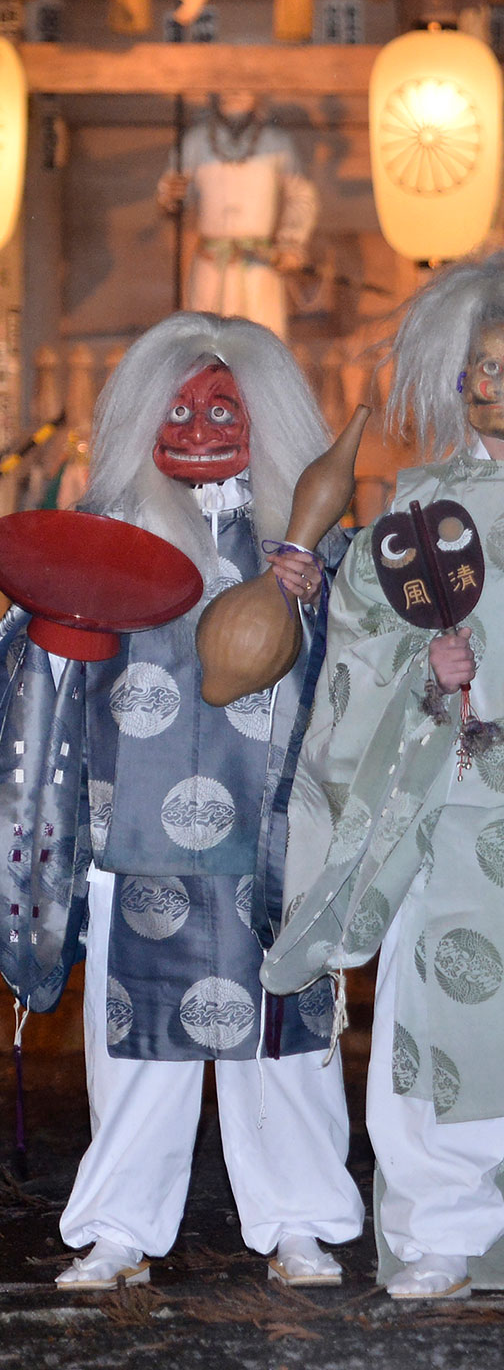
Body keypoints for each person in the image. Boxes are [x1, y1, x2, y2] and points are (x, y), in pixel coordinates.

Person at [263, 251, 504, 1300]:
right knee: (440, 1030)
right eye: (486, 369)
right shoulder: (423, 496)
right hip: (453, 804)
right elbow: (360, 645)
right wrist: (420, 671)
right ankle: (440, 1229)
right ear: (456, 381)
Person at [0, 313, 361, 1290]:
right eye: (179, 407)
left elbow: (372, 674)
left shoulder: (316, 541)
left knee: (286, 1050)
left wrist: (320, 598)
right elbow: (41, 675)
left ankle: (299, 1220)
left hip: (275, 835)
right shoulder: (105, 537)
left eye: (222, 407)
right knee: (137, 1061)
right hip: (137, 838)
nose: (200, 425)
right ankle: (119, 1230)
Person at [157, 93, 319, 342]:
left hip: (259, 266)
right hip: (210, 265)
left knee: (263, 345)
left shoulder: (277, 142)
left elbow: (301, 195)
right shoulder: (195, 141)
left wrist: (291, 243)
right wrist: (172, 196)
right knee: (203, 344)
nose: (234, 90)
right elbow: (174, 196)